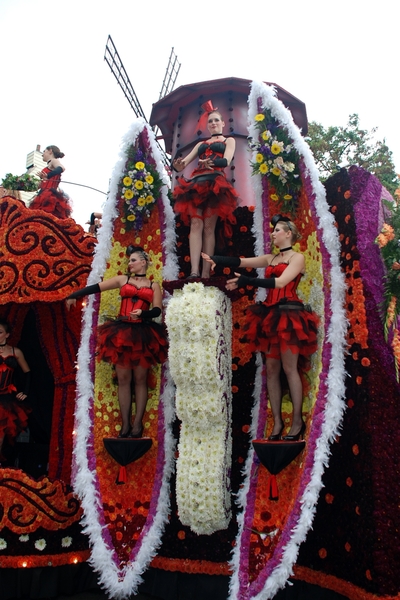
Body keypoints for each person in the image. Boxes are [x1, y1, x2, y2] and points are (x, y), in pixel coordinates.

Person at [202, 215, 319, 441]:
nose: (273, 233)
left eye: (277, 230)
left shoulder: (297, 257)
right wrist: (215, 258)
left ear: (289, 233)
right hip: (271, 314)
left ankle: (297, 421)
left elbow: (281, 282)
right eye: (273, 230)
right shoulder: (271, 258)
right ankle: (277, 423)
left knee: (289, 368)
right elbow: (242, 262)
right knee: (272, 370)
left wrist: (248, 281)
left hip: (290, 315)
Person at [66, 246, 167, 438]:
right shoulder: (123, 279)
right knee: (123, 379)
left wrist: (142, 313)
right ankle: (125, 423)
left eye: (133, 260)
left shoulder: (154, 285)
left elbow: (157, 310)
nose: (130, 263)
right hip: (122, 332)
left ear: (143, 262)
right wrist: (74, 295)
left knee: (140, 380)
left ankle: (138, 424)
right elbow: (97, 287)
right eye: (129, 260)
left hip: (143, 333)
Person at [173, 101, 238, 279]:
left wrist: (212, 162)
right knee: (196, 224)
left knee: (209, 227)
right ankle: (194, 271)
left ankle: (205, 273)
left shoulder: (228, 140)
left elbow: (226, 161)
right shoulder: (201, 144)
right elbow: (182, 165)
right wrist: (177, 165)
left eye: (216, 120)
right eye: (210, 121)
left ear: (223, 123)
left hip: (216, 184)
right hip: (197, 184)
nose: (213, 123)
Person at [0, 319, 31, 462]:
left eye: (0, 332)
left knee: (2, 435)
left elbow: (28, 373)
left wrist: (24, 392)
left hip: (7, 399)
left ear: (7, 334)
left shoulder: (15, 351)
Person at [29, 145, 72, 219]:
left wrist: (48, 176)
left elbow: (61, 168)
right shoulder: (47, 166)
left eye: (44, 151)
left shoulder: (54, 161)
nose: (42, 154)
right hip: (42, 196)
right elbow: (39, 186)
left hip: (50, 197)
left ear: (50, 151)